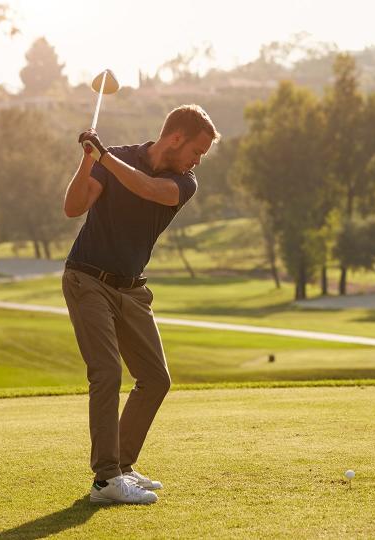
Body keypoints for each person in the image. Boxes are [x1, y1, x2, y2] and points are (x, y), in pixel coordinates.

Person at [62, 105, 220, 504]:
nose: (198, 161)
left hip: (131, 289)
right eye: (197, 151)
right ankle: (105, 480)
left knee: (155, 377)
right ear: (176, 138)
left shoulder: (183, 182)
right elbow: (73, 207)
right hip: (87, 279)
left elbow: (149, 190)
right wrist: (87, 162)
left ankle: (123, 466)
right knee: (107, 372)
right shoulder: (115, 157)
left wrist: (104, 157)